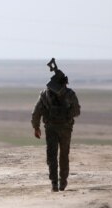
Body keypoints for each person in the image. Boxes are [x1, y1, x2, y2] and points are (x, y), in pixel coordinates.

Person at [31, 59, 81, 192]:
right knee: (64, 155)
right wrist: (67, 115)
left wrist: (36, 127)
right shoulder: (70, 94)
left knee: (52, 155)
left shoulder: (44, 94)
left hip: (51, 128)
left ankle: (54, 183)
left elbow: (36, 112)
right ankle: (62, 181)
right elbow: (77, 111)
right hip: (66, 128)